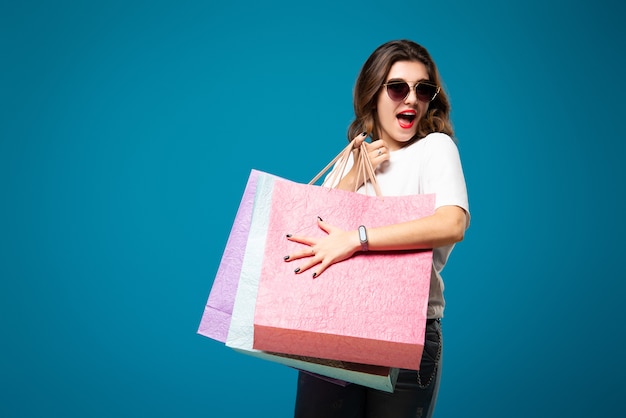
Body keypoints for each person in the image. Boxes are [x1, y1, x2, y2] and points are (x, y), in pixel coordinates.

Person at [283, 39, 470, 418]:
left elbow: (452, 223)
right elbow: (307, 240)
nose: (412, 99)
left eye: (423, 89)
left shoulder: (435, 148)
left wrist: (358, 240)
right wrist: (351, 176)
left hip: (409, 328)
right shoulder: (350, 160)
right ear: (373, 95)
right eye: (398, 87)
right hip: (333, 326)